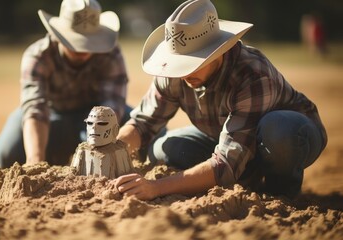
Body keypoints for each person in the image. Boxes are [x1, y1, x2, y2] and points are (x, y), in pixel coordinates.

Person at [113, 0, 327, 200]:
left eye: (193, 62)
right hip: (228, 137)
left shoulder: (252, 74)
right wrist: (111, 150)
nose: (184, 72)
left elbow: (225, 163)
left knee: (278, 131)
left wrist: (155, 187)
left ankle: (281, 193)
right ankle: (244, 179)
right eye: (179, 62)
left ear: (218, 51)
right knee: (163, 148)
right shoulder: (172, 72)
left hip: (290, 135)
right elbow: (143, 124)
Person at [0, 0, 132, 168]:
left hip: (97, 116)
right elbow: (35, 109)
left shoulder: (111, 53)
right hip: (51, 114)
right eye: (75, 42)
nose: (82, 49)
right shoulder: (38, 56)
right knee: (7, 154)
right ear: (59, 34)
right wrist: (35, 160)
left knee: (152, 136)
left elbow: (113, 103)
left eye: (89, 42)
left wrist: (101, 146)